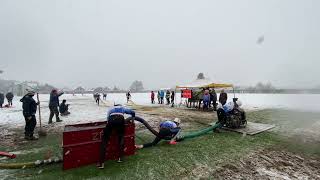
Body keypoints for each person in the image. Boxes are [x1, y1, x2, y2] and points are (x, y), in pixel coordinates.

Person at [98, 105, 135, 169]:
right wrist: (133, 120)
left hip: (111, 119)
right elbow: (133, 112)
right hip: (120, 120)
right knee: (121, 138)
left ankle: (102, 164)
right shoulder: (122, 108)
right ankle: (120, 158)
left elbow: (108, 119)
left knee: (105, 140)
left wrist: (108, 128)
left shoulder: (110, 108)